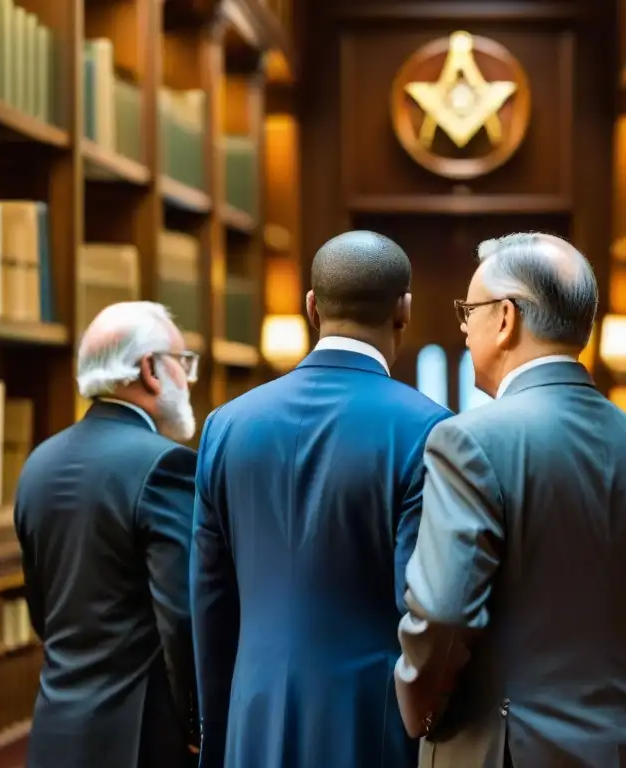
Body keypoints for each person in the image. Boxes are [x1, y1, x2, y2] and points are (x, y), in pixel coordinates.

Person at [393, 232, 626, 767]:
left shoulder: (469, 440)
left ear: (506, 318)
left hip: (507, 748)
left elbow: (443, 611)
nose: (465, 328)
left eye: (470, 311)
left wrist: (420, 713)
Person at [191, 230, 451, 768]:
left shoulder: (226, 425)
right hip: (371, 723)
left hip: (252, 716)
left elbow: (208, 599)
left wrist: (220, 729)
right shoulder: (429, 430)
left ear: (311, 307)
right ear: (403, 309)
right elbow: (424, 606)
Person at [14, 301, 200, 768]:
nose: (189, 379)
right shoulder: (165, 465)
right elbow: (181, 616)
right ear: (150, 369)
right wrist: (200, 724)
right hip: (137, 739)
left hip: (54, 733)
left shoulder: (38, 463)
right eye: (183, 363)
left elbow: (43, 614)